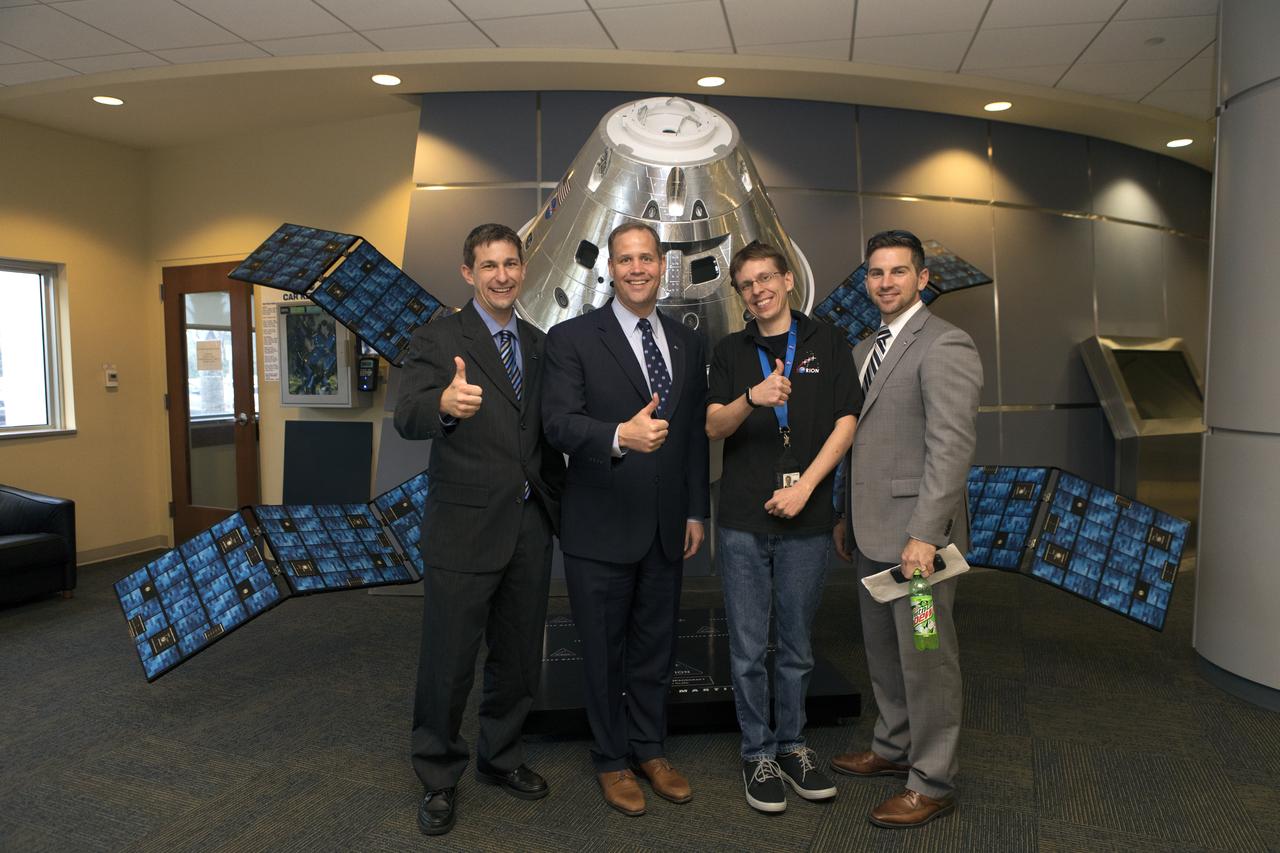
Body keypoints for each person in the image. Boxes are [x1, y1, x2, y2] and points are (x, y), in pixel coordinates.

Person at [394, 222, 565, 836]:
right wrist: (443, 405)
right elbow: (407, 415)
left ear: (524, 269)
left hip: (528, 527)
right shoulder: (439, 337)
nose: (502, 276)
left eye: (511, 264)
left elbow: (544, 432)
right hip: (463, 530)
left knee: (517, 658)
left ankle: (501, 756)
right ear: (468, 272)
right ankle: (438, 776)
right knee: (449, 661)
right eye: (489, 265)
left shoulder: (540, 344)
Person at [541, 221, 710, 817]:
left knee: (655, 648)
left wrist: (695, 509)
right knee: (603, 653)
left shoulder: (686, 341)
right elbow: (558, 424)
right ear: (610, 269)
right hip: (600, 526)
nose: (637, 268)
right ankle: (611, 759)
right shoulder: (571, 338)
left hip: (666, 526)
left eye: (646, 258)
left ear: (663, 265)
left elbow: (691, 437)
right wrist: (618, 435)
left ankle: (650, 749)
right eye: (625, 259)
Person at [830, 229, 982, 829]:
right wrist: (845, 515)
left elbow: (951, 448)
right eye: (876, 272)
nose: (885, 282)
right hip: (872, 536)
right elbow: (861, 444)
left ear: (922, 278)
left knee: (925, 654)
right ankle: (894, 747)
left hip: (919, 547)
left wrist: (926, 534)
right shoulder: (865, 347)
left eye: (898, 271)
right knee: (883, 650)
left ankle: (932, 780)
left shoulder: (945, 344)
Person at [706, 241, 860, 813]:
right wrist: (753, 396)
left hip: (807, 518)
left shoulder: (828, 340)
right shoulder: (730, 350)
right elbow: (713, 425)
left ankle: (793, 745)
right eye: (746, 284)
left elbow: (847, 422)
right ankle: (757, 753)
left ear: (788, 279)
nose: (758, 290)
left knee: (796, 646)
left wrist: (805, 488)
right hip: (743, 523)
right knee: (747, 649)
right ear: (740, 294)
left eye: (766, 278)